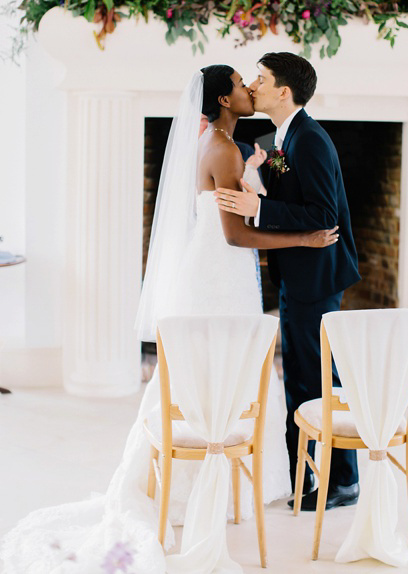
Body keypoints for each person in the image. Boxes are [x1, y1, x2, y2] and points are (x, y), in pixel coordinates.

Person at [0, 66, 338, 573]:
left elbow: (238, 210)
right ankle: (197, 489)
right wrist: (303, 239)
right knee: (215, 373)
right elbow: (234, 235)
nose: (250, 90)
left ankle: (210, 483)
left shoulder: (223, 141)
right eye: (243, 85)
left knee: (216, 374)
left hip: (225, 274)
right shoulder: (222, 147)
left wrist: (257, 174)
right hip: (219, 275)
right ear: (225, 98)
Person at [215, 52, 362, 512]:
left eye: (261, 78)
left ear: (283, 91)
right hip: (299, 274)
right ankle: (314, 474)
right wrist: (260, 183)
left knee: (315, 379)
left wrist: (257, 210)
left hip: (314, 277)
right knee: (304, 376)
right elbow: (291, 194)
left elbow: (323, 215)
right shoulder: (285, 135)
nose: (253, 86)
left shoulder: (310, 140)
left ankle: (340, 482)